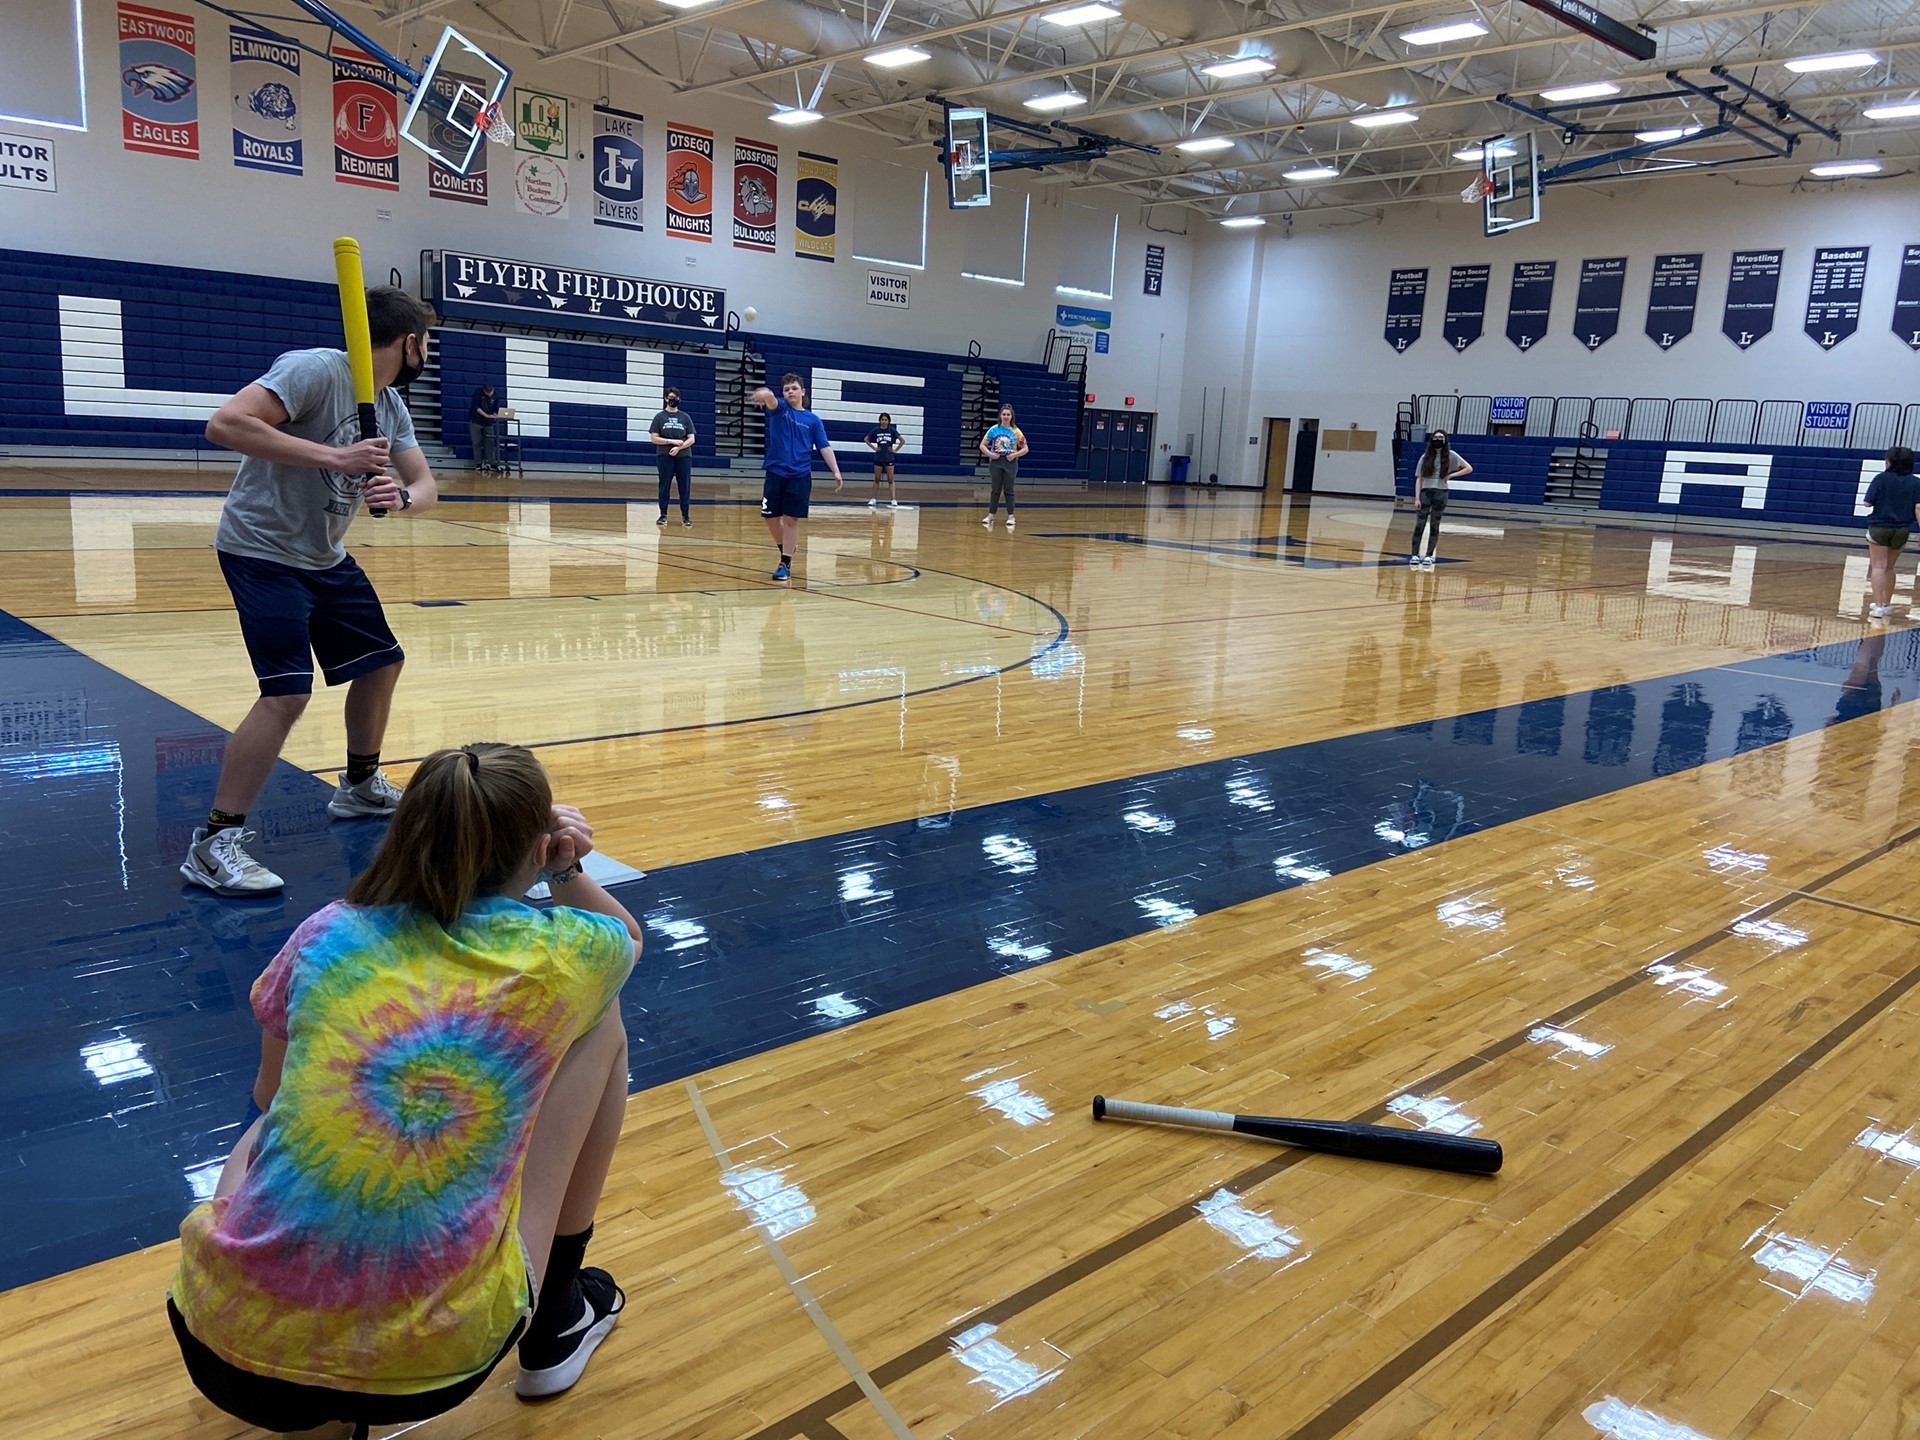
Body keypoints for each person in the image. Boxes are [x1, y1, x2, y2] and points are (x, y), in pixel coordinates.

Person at [169, 743, 641, 1435]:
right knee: (604, 1021)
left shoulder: (325, 930)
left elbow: (268, 1096)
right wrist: (568, 866)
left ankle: (305, 1313)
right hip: (433, 1370)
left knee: (274, 1122)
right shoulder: (573, 951)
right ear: (537, 851)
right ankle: (558, 1320)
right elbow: (627, 938)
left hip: (218, 1344)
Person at [182, 287, 440, 899]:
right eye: (426, 340)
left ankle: (359, 785)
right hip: (261, 550)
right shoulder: (317, 369)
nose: (427, 350)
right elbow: (225, 423)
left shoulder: (390, 404)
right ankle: (214, 843)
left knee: (383, 662)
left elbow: (426, 481)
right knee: (285, 694)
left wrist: (400, 498)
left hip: (325, 556)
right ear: (409, 342)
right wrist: (336, 455)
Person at [750, 372, 843, 581]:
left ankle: (785, 562)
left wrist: (835, 470)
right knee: (770, 517)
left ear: (802, 392)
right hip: (775, 473)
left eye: (793, 388)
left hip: (800, 476)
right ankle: (788, 548)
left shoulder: (813, 420)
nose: (790, 391)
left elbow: (824, 447)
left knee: (791, 520)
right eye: (786, 389)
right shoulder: (780, 409)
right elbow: (771, 401)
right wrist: (766, 393)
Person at [1861, 446, 1920, 620]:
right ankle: (1886, 604)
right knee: (1890, 567)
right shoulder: (1916, 482)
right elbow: (1918, 508)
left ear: (1890, 461)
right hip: (1902, 529)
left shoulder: (1880, 479)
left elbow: (1867, 503)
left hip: (1880, 527)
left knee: (1878, 566)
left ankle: (1878, 607)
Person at [1410, 430, 1471, 568]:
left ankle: (1429, 556)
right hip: (1426, 492)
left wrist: (1452, 475)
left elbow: (1468, 468)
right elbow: (1419, 479)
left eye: (1441, 437)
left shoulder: (1451, 455)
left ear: (1445, 440)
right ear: (1432, 439)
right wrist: (1417, 498)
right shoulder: (1425, 457)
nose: (1438, 439)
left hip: (1441, 493)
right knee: (1420, 524)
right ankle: (1414, 554)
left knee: (1434, 525)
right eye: (1436, 437)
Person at [648, 387, 697, 527]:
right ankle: (663, 515)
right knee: (664, 485)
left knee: (684, 486)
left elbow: (691, 438)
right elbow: (654, 438)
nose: (673, 400)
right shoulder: (659, 417)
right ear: (665, 399)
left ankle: (685, 516)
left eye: (675, 398)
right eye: (670, 397)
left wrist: (679, 447)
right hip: (665, 456)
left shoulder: (685, 417)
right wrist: (671, 442)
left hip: (684, 456)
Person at [980, 404, 1028, 531]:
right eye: (1004, 414)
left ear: (1011, 416)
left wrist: (1014, 455)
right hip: (996, 462)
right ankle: (991, 515)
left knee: (1009, 490)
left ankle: (1011, 516)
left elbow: (1025, 449)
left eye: (1008, 414)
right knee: (995, 490)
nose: (1006, 416)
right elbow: (982, 445)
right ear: (1000, 416)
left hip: (1010, 462)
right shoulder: (993, 429)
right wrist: (991, 454)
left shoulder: (1016, 431)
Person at [864, 412, 904, 509]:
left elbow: (902, 441)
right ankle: (873, 498)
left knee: (890, 479)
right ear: (880, 421)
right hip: (878, 457)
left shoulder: (892, 431)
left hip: (889, 457)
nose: (884, 421)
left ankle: (893, 499)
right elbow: (866, 439)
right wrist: (874, 448)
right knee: (877, 479)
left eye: (886, 420)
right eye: (882, 419)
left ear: (889, 421)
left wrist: (895, 450)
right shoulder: (876, 430)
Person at [469, 383, 503, 473]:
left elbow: (496, 409)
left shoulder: (496, 395)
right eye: (487, 392)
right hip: (476, 420)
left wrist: (495, 415)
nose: (489, 394)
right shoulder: (478, 392)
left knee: (490, 443)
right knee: (476, 442)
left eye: (490, 392)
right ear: (484, 390)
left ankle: (492, 462)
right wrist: (486, 415)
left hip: (488, 423)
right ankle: (478, 463)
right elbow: (476, 407)